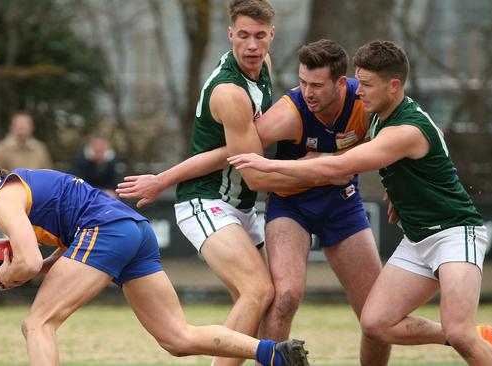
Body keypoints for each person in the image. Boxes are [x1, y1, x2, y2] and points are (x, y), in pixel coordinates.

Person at [228, 40, 492, 365]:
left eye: (367, 85)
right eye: (303, 83)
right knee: (371, 322)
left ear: (393, 86)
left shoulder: (397, 124)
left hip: (452, 232)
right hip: (410, 237)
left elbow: (344, 166)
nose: (361, 91)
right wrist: (399, 192)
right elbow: (237, 143)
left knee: (457, 332)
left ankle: (466, 336)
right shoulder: (373, 111)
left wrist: (271, 164)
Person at [119, 39, 391, 365]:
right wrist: (164, 179)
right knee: (282, 296)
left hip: (342, 203)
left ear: (341, 81)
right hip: (292, 206)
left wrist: (396, 188)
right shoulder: (288, 114)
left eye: (317, 85)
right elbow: (232, 154)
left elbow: (400, 140)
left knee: (376, 316)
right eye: (303, 82)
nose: (308, 92)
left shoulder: (365, 100)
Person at [0, 152, 310, 366]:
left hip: (106, 230)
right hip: (132, 229)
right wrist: (39, 266)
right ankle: (273, 353)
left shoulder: (3, 198)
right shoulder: (20, 189)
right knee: (177, 338)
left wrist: (11, 274)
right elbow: (59, 247)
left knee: (37, 324)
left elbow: (27, 263)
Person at [72, 133, 122, 198]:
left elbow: (117, 182)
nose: (99, 148)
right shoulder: (80, 160)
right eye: (96, 145)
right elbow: (77, 181)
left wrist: (112, 192)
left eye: (102, 146)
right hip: (86, 195)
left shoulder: (113, 161)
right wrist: (99, 191)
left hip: (109, 196)